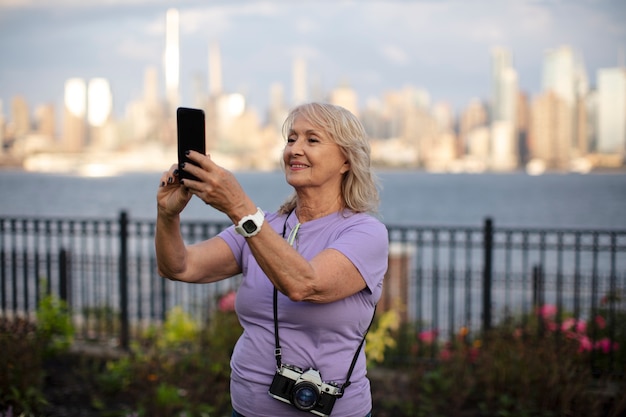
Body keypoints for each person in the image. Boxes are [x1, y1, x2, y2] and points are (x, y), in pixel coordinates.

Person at [155, 102, 389, 417]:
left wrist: (239, 206)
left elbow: (305, 284)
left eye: (312, 140)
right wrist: (167, 216)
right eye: (291, 139)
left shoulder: (365, 233)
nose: (295, 149)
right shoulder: (263, 226)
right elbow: (179, 266)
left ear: (346, 160)